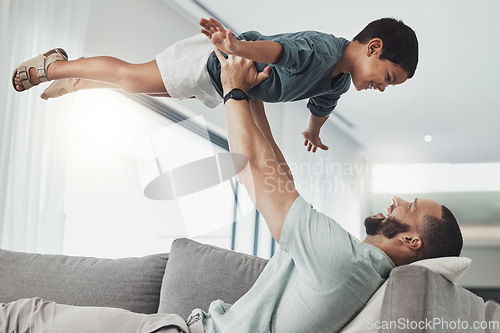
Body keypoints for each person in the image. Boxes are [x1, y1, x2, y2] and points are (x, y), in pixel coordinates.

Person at [1, 51, 462, 333]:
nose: (399, 198)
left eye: (411, 206)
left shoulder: (345, 262)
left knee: (24, 317)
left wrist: (233, 92)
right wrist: (255, 99)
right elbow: (280, 178)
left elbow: (257, 176)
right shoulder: (352, 268)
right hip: (184, 328)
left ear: (411, 241)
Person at [12, 17, 418, 153]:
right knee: (132, 78)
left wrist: (313, 132)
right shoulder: (321, 49)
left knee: (141, 88)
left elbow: (320, 109)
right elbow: (279, 51)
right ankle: (56, 66)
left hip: (225, 84)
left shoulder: (340, 81)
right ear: (374, 48)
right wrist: (236, 45)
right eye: (387, 79)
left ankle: (80, 82)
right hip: (218, 62)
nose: (382, 88)